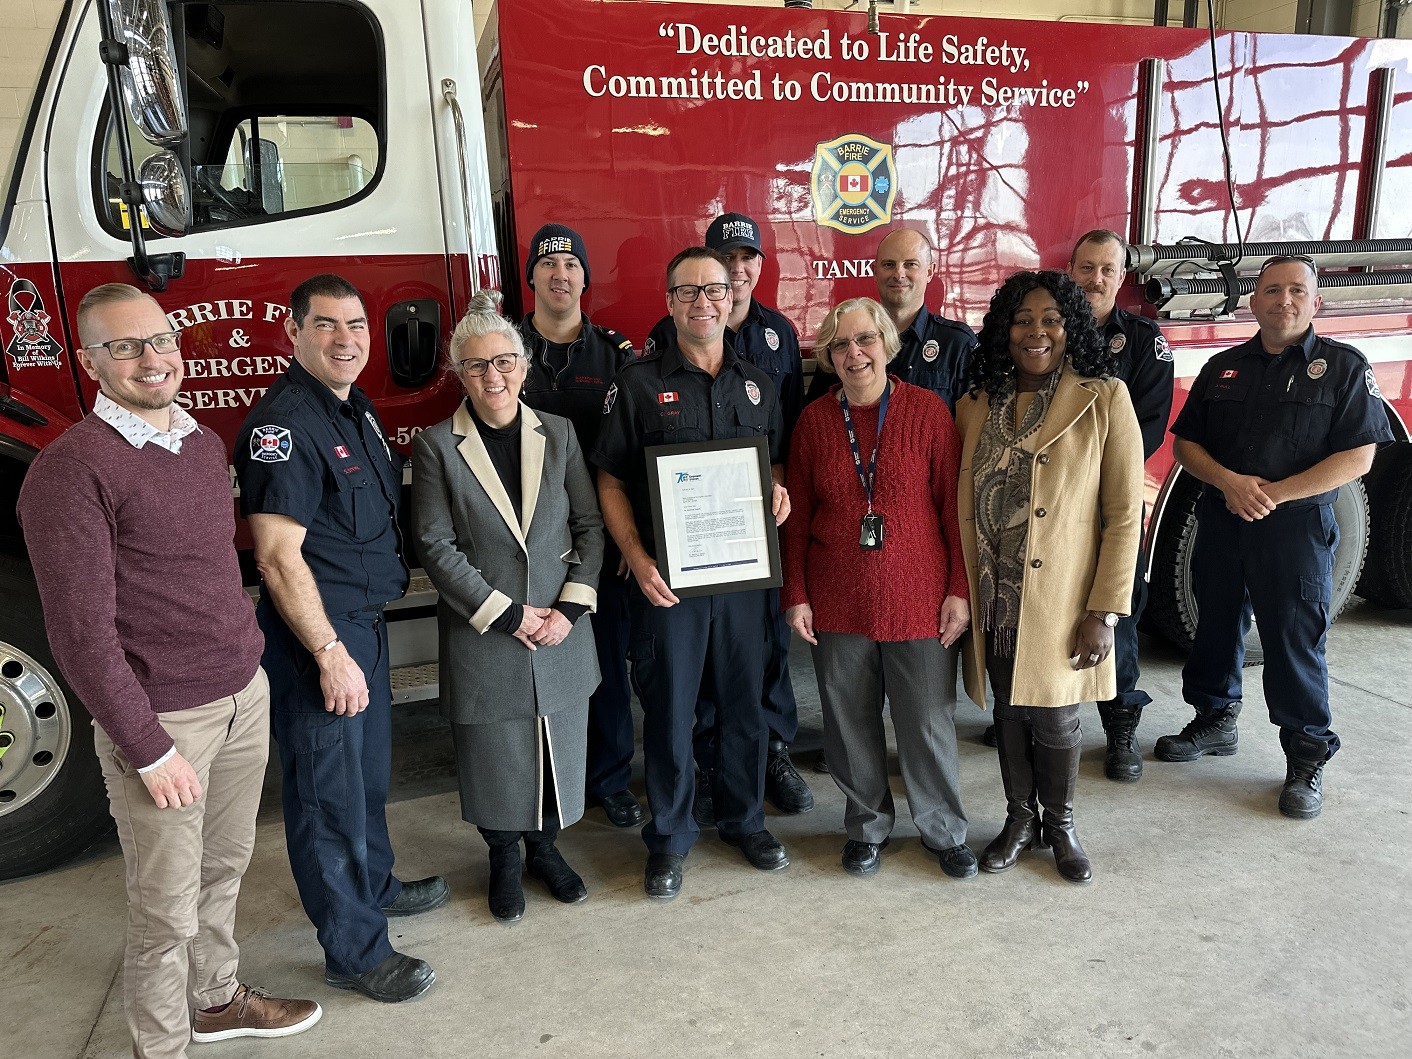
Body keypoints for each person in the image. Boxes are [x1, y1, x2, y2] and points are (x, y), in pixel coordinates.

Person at [17, 284, 320, 1057]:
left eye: (159, 340)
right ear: (89, 361)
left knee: (224, 870)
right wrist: (147, 746)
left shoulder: (198, 442)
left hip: (240, 697)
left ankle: (215, 1001)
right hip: (167, 721)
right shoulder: (69, 471)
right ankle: (163, 1045)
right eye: (124, 346)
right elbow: (81, 636)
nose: (151, 358)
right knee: (163, 911)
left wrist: (250, 672)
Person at [236, 275, 444, 1004]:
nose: (346, 338)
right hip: (318, 633)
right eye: (326, 325)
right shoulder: (284, 424)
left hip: (363, 623)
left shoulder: (353, 411)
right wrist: (327, 653)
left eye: (356, 324)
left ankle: (376, 885)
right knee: (325, 796)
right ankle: (354, 949)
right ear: (294, 331)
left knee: (366, 779)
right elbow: (277, 556)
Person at [1157, 254, 1391, 818]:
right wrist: (1231, 484)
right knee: (1213, 623)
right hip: (1222, 517)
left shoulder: (1343, 367)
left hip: (1295, 529)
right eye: (1271, 290)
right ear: (1253, 301)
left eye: (1295, 291)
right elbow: (1187, 445)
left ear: (1316, 302)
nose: (1283, 301)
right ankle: (1214, 721)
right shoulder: (1225, 366)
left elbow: (1358, 456)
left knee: (1292, 640)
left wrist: (1274, 495)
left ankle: (1306, 759)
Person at [593, 246, 791, 900]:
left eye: (715, 288)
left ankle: (743, 819)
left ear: (733, 294)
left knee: (745, 704)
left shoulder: (759, 382)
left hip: (742, 580)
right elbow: (611, 479)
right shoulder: (640, 381)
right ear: (670, 301)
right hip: (666, 582)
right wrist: (638, 555)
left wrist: (779, 492)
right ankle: (671, 838)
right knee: (673, 709)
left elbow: (775, 466)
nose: (703, 301)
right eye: (688, 291)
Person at [413, 291, 604, 921]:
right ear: (458, 374)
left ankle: (545, 850)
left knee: (554, 745)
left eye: (503, 362)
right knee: (495, 753)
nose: (492, 376)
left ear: (524, 366)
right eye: (475, 366)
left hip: (558, 627)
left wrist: (566, 613)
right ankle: (501, 854)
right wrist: (509, 613)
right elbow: (435, 547)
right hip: (487, 628)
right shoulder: (438, 445)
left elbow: (589, 529)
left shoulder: (563, 434)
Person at [955, 270, 1143, 883]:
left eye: (1051, 320)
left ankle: (1059, 825)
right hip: (995, 592)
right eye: (1022, 320)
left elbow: (1122, 514)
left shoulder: (1104, 398)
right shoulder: (976, 405)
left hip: (1062, 598)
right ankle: (1018, 820)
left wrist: (1104, 610)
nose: (1036, 333)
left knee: (1056, 715)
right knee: (1008, 710)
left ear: (1072, 329)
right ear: (1003, 331)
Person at [781, 297, 974, 879]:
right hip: (838, 599)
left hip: (919, 599)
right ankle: (866, 826)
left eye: (865, 340)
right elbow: (797, 514)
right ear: (829, 357)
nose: (854, 353)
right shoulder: (814, 423)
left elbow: (953, 511)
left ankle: (942, 829)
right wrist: (796, 593)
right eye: (840, 345)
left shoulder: (928, 412)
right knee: (848, 723)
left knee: (927, 723)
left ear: (887, 344)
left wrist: (959, 589)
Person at [645, 212, 812, 817]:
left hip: (748, 538)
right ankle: (708, 763)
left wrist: (780, 487)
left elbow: (783, 438)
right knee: (694, 674)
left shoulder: (779, 338)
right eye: (725, 260)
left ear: (757, 269)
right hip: (687, 549)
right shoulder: (660, 345)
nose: (736, 272)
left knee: (760, 656)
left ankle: (771, 756)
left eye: (747, 260)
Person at [517, 223, 643, 830]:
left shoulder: (616, 356)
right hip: (524, 541)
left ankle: (612, 778)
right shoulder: (504, 347)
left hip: (596, 536)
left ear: (586, 279)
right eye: (548, 265)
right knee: (535, 664)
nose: (560, 273)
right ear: (532, 278)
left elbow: (633, 453)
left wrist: (627, 537)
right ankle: (544, 780)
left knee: (606, 659)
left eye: (571, 264)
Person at [804, 227, 976, 412]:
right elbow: (816, 414)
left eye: (910, 264)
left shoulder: (957, 344)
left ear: (929, 271)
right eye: (889, 264)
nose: (899, 274)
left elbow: (972, 426)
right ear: (875, 271)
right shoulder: (843, 340)